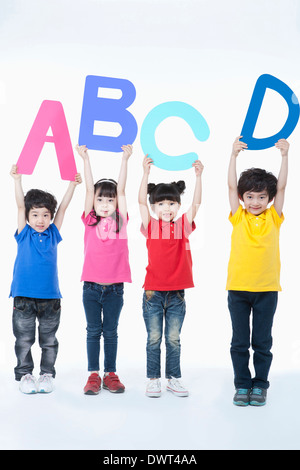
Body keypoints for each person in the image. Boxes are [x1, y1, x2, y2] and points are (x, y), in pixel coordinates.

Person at [227, 136, 289, 406]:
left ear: (269, 198)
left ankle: (260, 385)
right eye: (249, 196)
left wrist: (285, 156)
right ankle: (242, 385)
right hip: (238, 289)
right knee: (240, 342)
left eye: (261, 197)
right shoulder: (238, 216)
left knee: (262, 342)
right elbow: (230, 185)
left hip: (266, 290)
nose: (255, 201)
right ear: (242, 198)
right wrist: (233, 156)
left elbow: (283, 186)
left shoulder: (273, 217)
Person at [10, 164, 82, 394]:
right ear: (28, 217)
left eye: (45, 215)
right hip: (23, 298)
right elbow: (20, 204)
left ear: (50, 217)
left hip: (50, 299)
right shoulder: (24, 233)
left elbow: (64, 208)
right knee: (24, 339)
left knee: (49, 340)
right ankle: (25, 374)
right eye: (35, 215)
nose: (40, 220)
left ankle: (46, 374)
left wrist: (72, 185)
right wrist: (17, 181)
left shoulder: (52, 233)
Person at [138, 154, 204, 398]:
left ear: (178, 206)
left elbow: (196, 205)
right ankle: (153, 379)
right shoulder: (151, 226)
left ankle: (173, 378)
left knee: (173, 339)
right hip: (153, 293)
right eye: (162, 204)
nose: (167, 208)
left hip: (176, 293)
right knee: (154, 339)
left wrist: (198, 177)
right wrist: (145, 174)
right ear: (155, 207)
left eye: (172, 204)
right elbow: (141, 204)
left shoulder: (183, 226)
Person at [76, 144, 132, 395]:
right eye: (101, 199)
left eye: (110, 199)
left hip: (114, 289)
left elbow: (121, 190)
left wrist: (125, 159)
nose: (106, 203)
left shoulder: (120, 221)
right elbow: (89, 188)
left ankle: (110, 373)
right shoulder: (89, 221)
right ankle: (93, 375)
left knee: (110, 332)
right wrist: (85, 159)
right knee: (92, 331)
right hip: (90, 287)